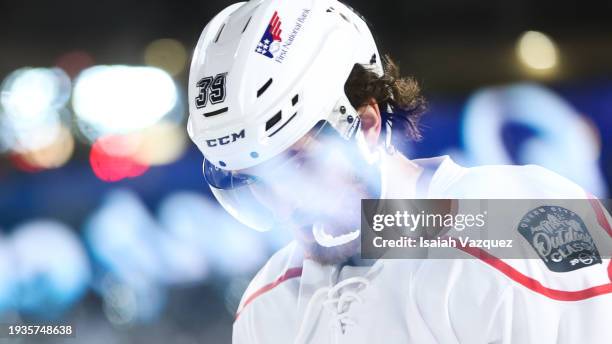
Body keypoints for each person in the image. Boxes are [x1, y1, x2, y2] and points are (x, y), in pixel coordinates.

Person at [187, 0, 612, 343]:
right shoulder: (266, 308)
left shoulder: (509, 220)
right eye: (252, 180)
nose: (282, 205)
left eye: (295, 164)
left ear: (366, 125)